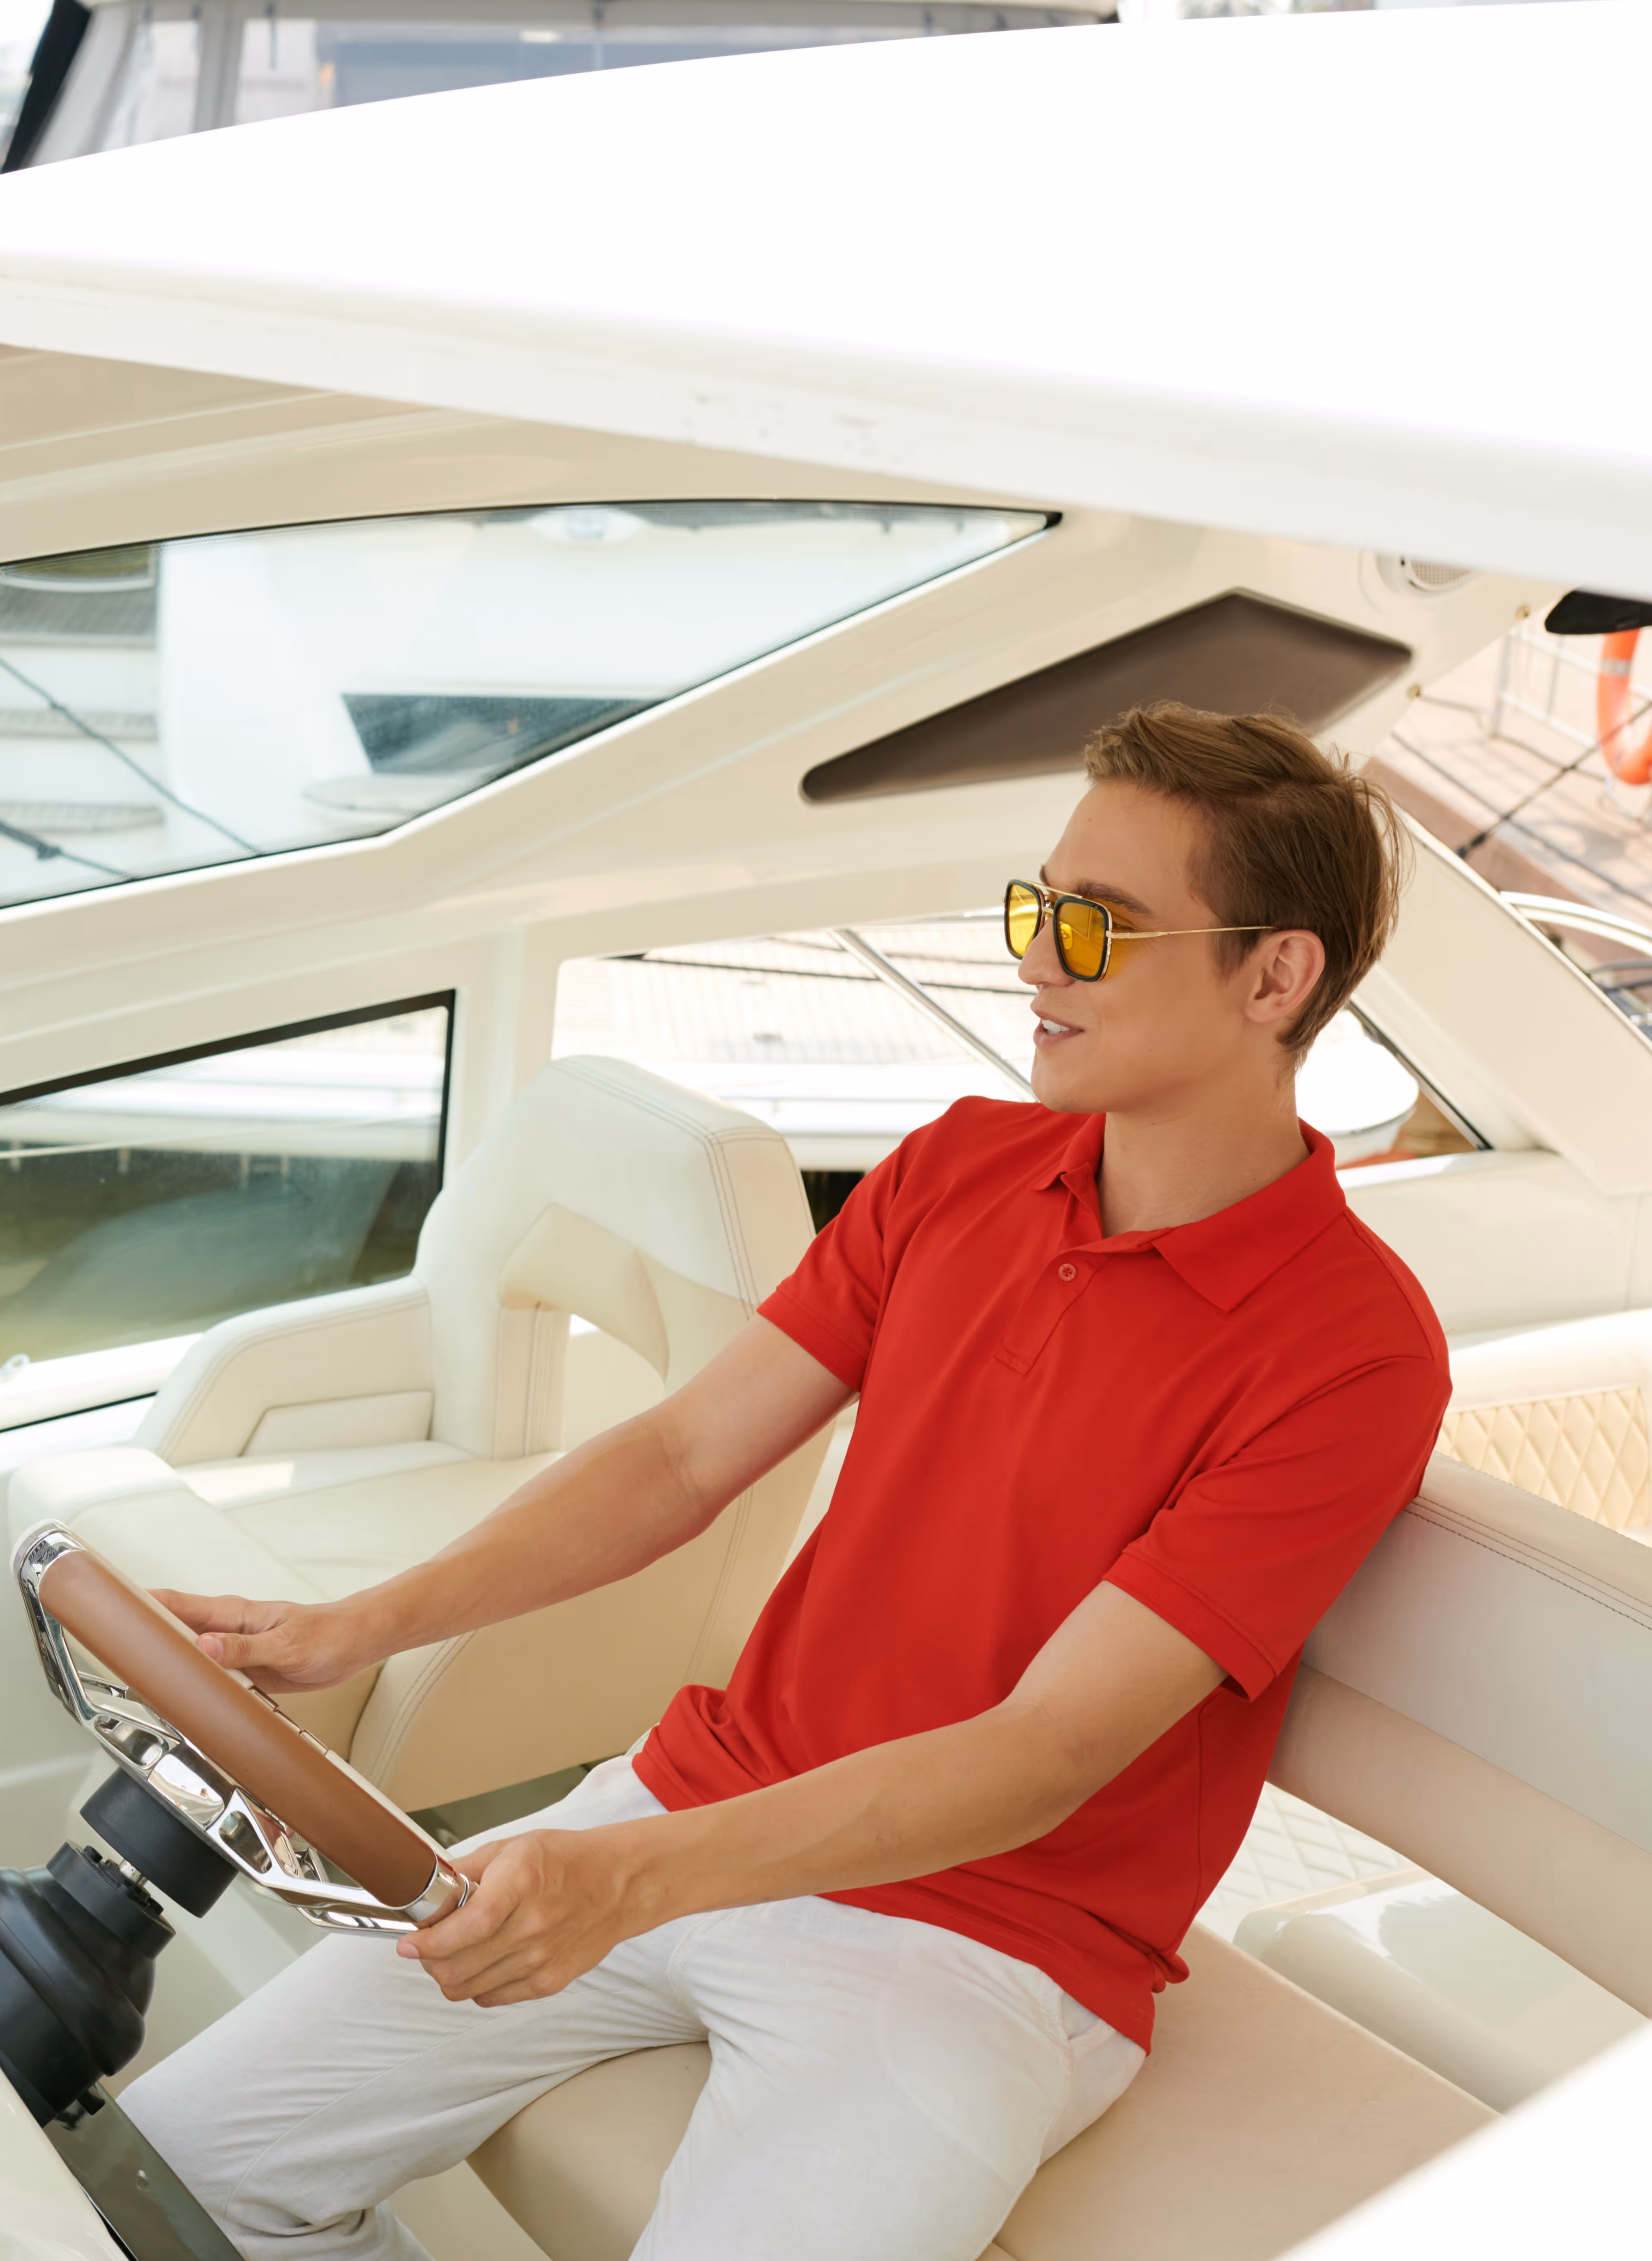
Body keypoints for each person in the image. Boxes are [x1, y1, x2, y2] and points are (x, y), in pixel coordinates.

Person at [127, 705, 1454, 2260]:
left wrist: (622, 1880)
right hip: (697, 1797)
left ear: (1274, 976)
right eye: (1035, 908)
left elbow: (1042, 1755)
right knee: (175, 2174)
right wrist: (358, 1627)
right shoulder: (960, 1164)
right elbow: (681, 1455)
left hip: (985, 1944)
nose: (1034, 962)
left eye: (1094, 926)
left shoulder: (1355, 1352)